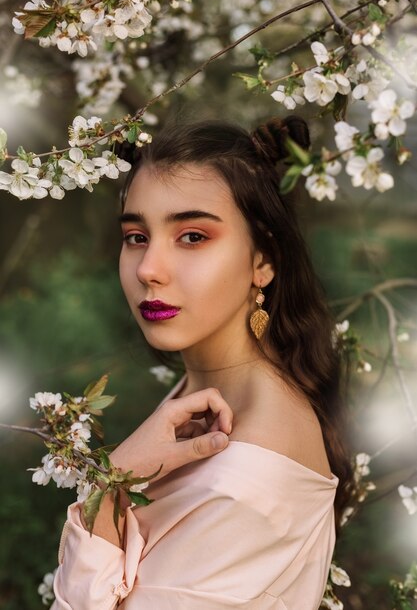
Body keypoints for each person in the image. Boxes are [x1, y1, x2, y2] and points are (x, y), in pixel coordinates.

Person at [52, 116, 354, 609]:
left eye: (193, 236)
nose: (149, 269)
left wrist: (110, 487)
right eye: (136, 236)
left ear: (264, 260)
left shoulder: (247, 484)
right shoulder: (204, 403)